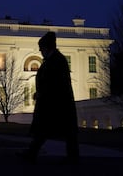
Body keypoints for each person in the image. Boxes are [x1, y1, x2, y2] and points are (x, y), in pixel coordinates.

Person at [17, 31, 80, 164]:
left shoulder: (57, 60)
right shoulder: (53, 60)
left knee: (52, 131)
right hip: (53, 102)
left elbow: (56, 82)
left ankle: (33, 154)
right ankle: (32, 153)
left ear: (47, 47)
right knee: (53, 131)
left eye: (41, 49)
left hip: (56, 103)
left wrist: (42, 93)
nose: (40, 52)